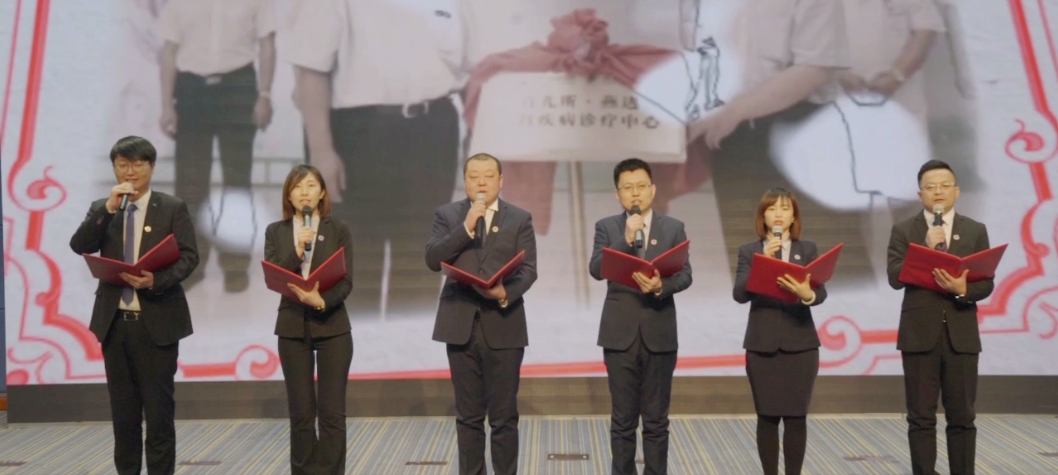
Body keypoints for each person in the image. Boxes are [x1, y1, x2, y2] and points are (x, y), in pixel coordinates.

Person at [286, 0, 465, 317]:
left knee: (420, 258)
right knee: (352, 263)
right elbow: (311, 70)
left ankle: (407, 346)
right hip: (357, 134)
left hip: (433, 128)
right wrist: (321, 151)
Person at [686, 0, 879, 287]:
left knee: (826, 264)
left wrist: (735, 111)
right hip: (731, 139)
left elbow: (815, 67)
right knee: (755, 264)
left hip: (802, 128)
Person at [69, 136, 200, 475]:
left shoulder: (172, 207)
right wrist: (108, 209)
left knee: (158, 414)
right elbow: (80, 245)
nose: (130, 171)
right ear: (114, 168)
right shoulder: (104, 208)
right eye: (123, 165)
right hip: (115, 325)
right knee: (124, 415)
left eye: (138, 164)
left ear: (151, 167)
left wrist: (156, 280)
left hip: (157, 324)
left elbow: (189, 258)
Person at [425, 153, 538, 475]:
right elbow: (433, 259)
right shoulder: (448, 215)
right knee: (468, 417)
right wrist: (466, 227)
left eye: (488, 176)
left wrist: (504, 293)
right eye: (474, 176)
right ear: (465, 181)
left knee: (504, 418)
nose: (481, 182)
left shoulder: (519, 218)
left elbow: (529, 270)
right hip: (460, 324)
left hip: (505, 324)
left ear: (501, 181)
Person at [157, 0, 276, 292]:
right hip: (191, 90)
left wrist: (264, 95)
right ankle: (191, 265)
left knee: (237, 181)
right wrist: (166, 104)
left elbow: (267, 44)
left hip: (238, 86)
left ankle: (235, 266)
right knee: (190, 182)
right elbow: (169, 50)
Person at [887, 160, 993, 475]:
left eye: (945, 185)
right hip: (919, 335)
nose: (938, 191)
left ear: (956, 191)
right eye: (930, 187)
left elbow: (986, 282)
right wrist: (924, 247)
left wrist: (963, 289)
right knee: (921, 417)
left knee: (962, 416)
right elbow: (895, 276)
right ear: (920, 194)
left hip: (962, 335)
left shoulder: (975, 230)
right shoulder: (905, 230)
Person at [588, 158, 693, 475]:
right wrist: (625, 237)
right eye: (628, 188)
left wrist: (662, 286)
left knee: (656, 420)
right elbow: (597, 269)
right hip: (619, 336)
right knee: (623, 420)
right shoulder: (607, 227)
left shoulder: (673, 228)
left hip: (659, 333)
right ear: (617, 194)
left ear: (653, 190)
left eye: (641, 186)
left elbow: (685, 275)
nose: (635, 193)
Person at [264, 164, 354, 475]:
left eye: (311, 185)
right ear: (289, 195)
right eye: (297, 186)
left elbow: (346, 282)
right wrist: (297, 249)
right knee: (301, 413)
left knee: (332, 413)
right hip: (292, 326)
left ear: (322, 193)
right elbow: (275, 274)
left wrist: (322, 301)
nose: (304, 192)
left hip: (333, 326)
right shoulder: (276, 231)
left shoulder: (338, 229)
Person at [732, 187, 828, 475]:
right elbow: (739, 294)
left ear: (793, 216)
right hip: (762, 345)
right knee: (768, 417)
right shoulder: (749, 251)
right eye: (771, 208)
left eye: (785, 208)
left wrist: (806, 294)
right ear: (763, 216)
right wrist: (763, 260)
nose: (778, 214)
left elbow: (820, 294)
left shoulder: (806, 249)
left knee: (796, 417)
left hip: (801, 345)